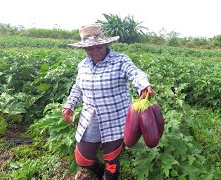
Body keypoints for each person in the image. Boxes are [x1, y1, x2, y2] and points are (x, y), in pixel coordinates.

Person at [62, 24, 154, 180]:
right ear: (84, 49)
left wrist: (144, 85)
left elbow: (135, 73)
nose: (95, 51)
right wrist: (69, 105)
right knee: (83, 159)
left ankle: (108, 176)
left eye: (98, 46)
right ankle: (98, 171)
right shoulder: (83, 65)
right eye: (90, 48)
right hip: (90, 118)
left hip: (116, 119)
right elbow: (78, 87)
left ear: (105, 44)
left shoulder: (120, 61)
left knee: (111, 159)